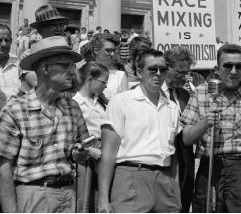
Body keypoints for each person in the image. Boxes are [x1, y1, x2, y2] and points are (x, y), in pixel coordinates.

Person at [181, 43, 241, 212]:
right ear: (217, 68)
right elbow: (187, 138)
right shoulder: (201, 92)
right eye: (228, 66)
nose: (233, 71)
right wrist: (204, 123)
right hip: (209, 167)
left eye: (239, 66)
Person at [0, 36, 90, 212]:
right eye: (65, 65)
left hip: (68, 192)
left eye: (73, 65)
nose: (73, 72)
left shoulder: (73, 107)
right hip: (33, 195)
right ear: (45, 68)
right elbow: (3, 169)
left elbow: (81, 151)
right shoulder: (16, 110)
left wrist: (78, 153)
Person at [98, 49, 181, 212]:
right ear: (138, 72)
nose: (158, 74)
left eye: (163, 70)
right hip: (131, 177)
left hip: (166, 181)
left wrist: (175, 190)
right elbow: (108, 153)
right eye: (152, 69)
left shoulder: (172, 107)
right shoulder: (121, 102)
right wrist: (103, 200)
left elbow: (174, 154)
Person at [163, 46, 202, 213]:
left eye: (187, 72)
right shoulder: (153, 93)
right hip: (164, 161)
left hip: (185, 160)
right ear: (167, 67)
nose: (184, 77)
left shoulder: (185, 95)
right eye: (180, 72)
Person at [73, 62, 109, 213]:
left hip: (104, 152)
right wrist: (89, 151)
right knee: (86, 199)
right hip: (87, 155)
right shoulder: (76, 102)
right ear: (90, 79)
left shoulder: (101, 102)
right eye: (103, 82)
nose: (105, 86)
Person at [81, 33, 128, 99]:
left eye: (113, 51)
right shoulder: (84, 72)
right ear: (96, 50)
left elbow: (126, 105)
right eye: (108, 51)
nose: (112, 54)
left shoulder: (120, 76)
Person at [0, 25, 19, 109]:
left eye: (6, 40)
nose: (3, 44)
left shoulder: (20, 64)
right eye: (0, 40)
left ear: (11, 41)